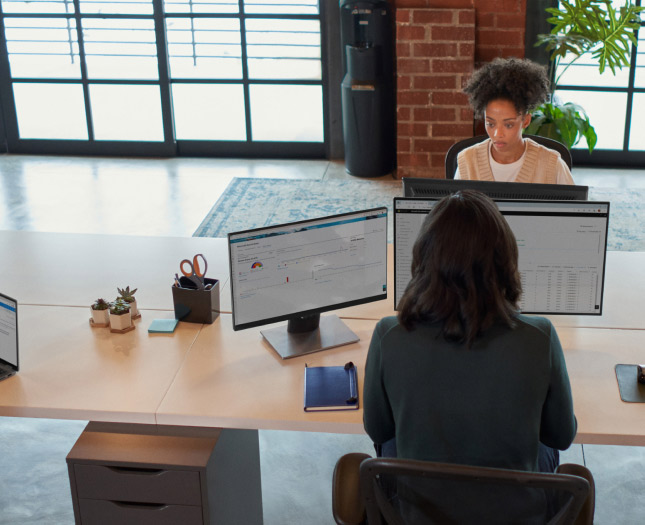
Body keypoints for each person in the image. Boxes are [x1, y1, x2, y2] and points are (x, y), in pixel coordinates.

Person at [363, 190, 577, 476]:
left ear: (425, 259)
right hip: (518, 511)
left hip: (417, 511)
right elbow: (561, 437)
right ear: (505, 261)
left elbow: (378, 429)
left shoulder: (388, 335)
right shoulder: (540, 337)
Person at [455, 57, 574, 184]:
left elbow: (573, 204)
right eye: (490, 124)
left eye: (508, 125)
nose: (497, 134)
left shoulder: (551, 164)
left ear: (526, 121)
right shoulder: (468, 160)